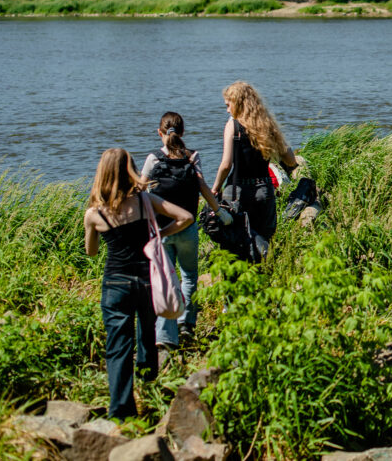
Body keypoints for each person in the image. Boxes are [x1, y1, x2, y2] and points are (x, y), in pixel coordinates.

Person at [84, 148, 193, 419]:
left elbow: (92, 252)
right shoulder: (145, 201)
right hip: (146, 281)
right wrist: (159, 234)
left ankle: (122, 411)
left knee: (118, 346)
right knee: (147, 335)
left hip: (115, 283)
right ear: (130, 169)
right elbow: (186, 217)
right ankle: (149, 388)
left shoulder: (94, 214)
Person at [140, 112, 231, 351]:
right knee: (189, 276)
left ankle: (165, 335)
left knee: (165, 280)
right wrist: (220, 212)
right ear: (182, 133)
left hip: (162, 230)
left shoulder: (153, 158)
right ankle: (186, 325)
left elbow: (140, 190)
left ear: (159, 133)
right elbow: (202, 187)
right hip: (188, 227)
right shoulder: (193, 157)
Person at [212, 81, 298, 242]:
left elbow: (226, 165)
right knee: (265, 242)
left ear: (237, 103)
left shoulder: (233, 125)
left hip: (237, 191)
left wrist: (215, 188)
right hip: (263, 190)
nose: (227, 110)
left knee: (235, 242)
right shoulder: (267, 125)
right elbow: (290, 159)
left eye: (228, 105)